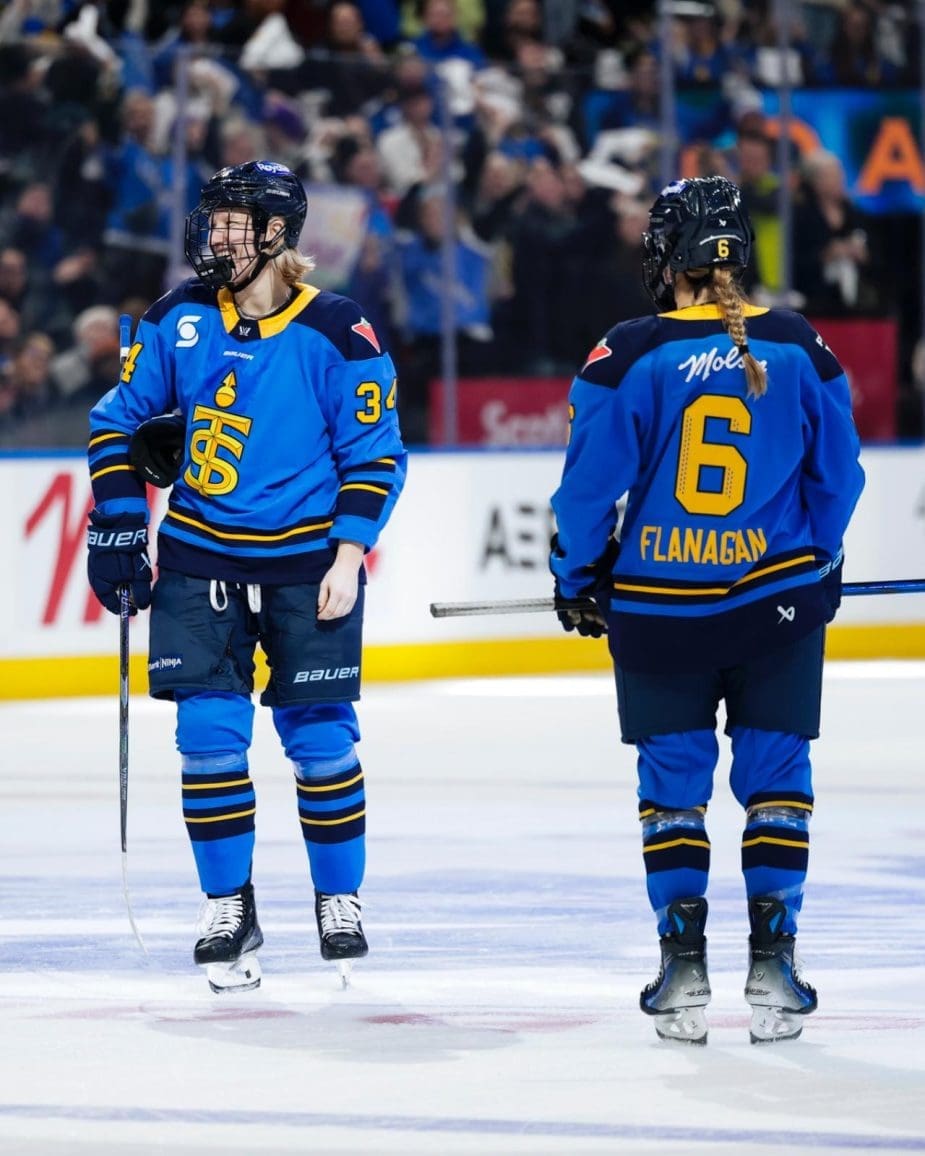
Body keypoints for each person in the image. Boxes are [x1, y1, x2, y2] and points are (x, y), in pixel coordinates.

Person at [549, 176, 864, 1045]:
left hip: (658, 613)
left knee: (672, 796)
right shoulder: (799, 344)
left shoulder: (626, 351)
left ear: (670, 255)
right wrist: (821, 558)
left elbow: (585, 496)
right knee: (777, 788)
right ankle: (774, 969)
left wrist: (575, 576)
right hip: (777, 608)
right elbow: (839, 478)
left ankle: (682, 972)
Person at [85, 160, 407, 993]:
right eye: (214, 219)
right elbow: (116, 424)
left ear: (275, 234)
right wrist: (120, 518)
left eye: (233, 221)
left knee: (323, 743)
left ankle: (339, 900)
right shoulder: (176, 317)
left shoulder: (340, 331)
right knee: (208, 741)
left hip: (307, 564)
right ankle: (228, 902)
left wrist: (348, 554)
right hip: (201, 555)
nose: (214, 234)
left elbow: (373, 454)